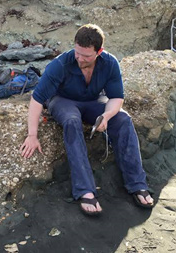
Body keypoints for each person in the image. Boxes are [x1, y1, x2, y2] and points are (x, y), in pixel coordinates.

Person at [20, 24, 154, 215]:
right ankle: (85, 190)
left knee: (123, 119)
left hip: (92, 101)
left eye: (86, 56)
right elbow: (37, 100)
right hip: (62, 100)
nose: (80, 59)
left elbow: (116, 97)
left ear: (99, 51)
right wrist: (32, 135)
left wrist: (106, 116)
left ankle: (137, 184)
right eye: (77, 53)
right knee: (72, 121)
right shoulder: (60, 64)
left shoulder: (110, 63)